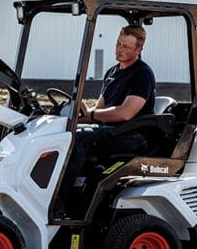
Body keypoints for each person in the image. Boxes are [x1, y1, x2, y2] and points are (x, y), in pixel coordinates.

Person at [59, 25, 156, 212]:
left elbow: (125, 113)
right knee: (66, 133)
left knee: (78, 140)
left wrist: (92, 116)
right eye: (118, 44)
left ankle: (60, 202)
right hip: (112, 131)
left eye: (126, 47)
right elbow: (100, 110)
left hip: (133, 135)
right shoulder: (112, 72)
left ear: (139, 50)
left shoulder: (142, 74)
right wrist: (74, 120)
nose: (120, 49)